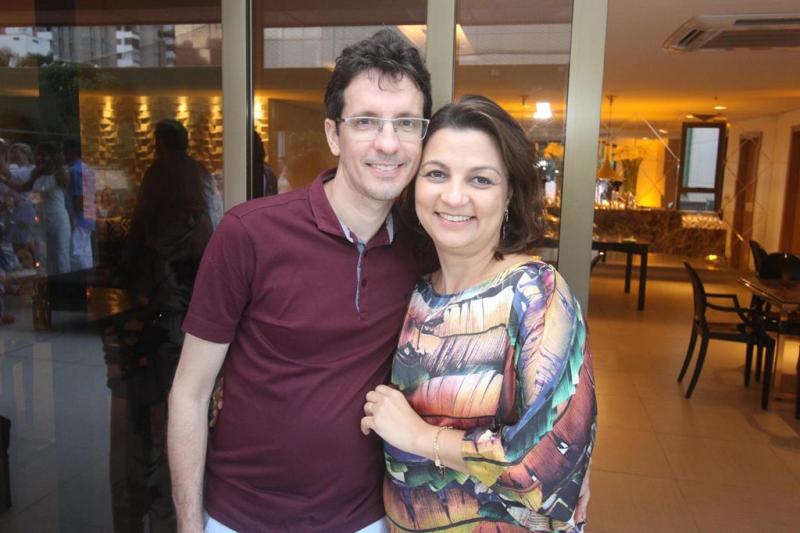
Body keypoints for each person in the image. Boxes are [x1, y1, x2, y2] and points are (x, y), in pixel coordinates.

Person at [168, 29, 432, 533]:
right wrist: (188, 525)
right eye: (366, 121)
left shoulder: (423, 250)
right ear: (334, 134)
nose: (388, 142)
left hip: (365, 520)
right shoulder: (250, 233)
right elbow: (191, 392)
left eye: (406, 123)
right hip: (240, 519)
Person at [360, 96, 596, 532]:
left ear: (510, 195)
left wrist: (419, 436)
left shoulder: (535, 293)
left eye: (481, 179)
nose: (453, 196)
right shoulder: (416, 292)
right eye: (436, 174)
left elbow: (551, 468)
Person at [1, 142, 71, 275]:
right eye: (38, 155)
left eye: (44, 155)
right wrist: (3, 180)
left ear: (52, 156)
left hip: (58, 219)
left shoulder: (59, 174)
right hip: (41, 220)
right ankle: (44, 283)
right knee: (42, 255)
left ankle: (63, 284)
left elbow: (63, 186)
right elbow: (23, 189)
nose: (40, 158)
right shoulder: (36, 174)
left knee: (60, 255)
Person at [63, 138, 96, 271]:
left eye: (63, 151)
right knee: (85, 250)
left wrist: (73, 219)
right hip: (88, 216)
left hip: (78, 218)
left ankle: (82, 278)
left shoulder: (74, 171)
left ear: (70, 152)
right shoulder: (87, 169)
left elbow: (78, 198)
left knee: (77, 252)